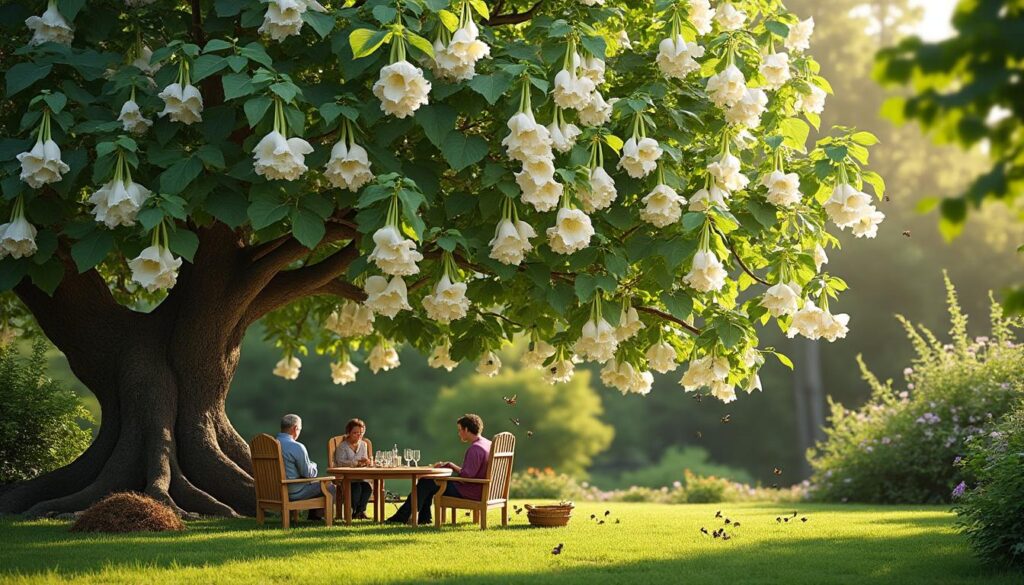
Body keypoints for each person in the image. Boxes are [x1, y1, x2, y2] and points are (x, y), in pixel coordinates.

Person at [386, 413, 491, 525]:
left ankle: (401, 518)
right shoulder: (487, 443)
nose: (459, 433)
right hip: (481, 489)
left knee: (426, 482)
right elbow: (472, 472)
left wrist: (450, 465)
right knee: (429, 482)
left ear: (466, 429)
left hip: (470, 492)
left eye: (460, 430)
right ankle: (424, 518)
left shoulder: (475, 449)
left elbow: (466, 476)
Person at [277, 413, 334, 520]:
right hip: (293, 492)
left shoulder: (271, 444)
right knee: (330, 487)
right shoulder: (296, 446)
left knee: (317, 485)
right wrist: (314, 465)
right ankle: (317, 518)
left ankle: (314, 517)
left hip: (273, 492)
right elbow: (308, 473)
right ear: (295, 428)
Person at [332, 418, 373, 520]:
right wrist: (356, 462)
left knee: (367, 487)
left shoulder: (363, 444)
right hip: (347, 478)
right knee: (356, 488)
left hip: (360, 477)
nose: (358, 435)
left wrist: (366, 462)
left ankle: (359, 512)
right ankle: (354, 511)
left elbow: (364, 461)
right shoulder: (342, 447)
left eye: (361, 433)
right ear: (348, 433)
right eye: (355, 433)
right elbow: (340, 462)